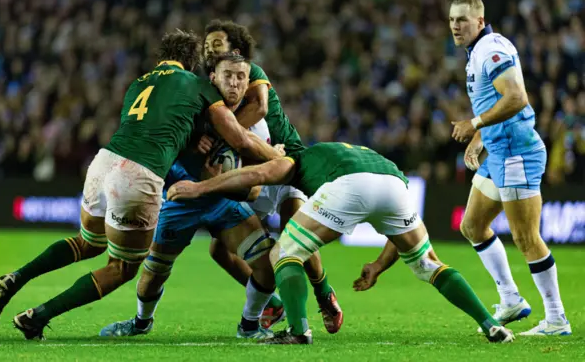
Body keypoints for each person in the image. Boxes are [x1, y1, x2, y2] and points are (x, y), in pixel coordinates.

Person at [0, 31, 282, 340]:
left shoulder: (139, 84)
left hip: (104, 162)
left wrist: (192, 139)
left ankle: (18, 277)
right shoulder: (197, 85)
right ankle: (38, 316)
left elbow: (160, 127)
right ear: (192, 64)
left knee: (87, 243)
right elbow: (239, 138)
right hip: (138, 175)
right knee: (122, 267)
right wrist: (279, 158)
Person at [167, 142, 515, 345]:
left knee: (283, 253)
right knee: (428, 265)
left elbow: (256, 175)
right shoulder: (358, 151)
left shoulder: (296, 160)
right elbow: (396, 237)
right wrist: (378, 266)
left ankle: (298, 330)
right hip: (395, 185)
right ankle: (490, 324)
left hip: (350, 186)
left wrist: (198, 188)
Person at [99, 53, 278, 340]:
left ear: (248, 83)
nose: (233, 83)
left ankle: (249, 325)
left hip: (225, 202)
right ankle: (141, 322)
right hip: (181, 200)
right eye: (227, 75)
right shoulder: (189, 106)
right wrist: (191, 148)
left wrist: (213, 183)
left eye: (240, 77)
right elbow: (162, 153)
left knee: (266, 266)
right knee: (152, 274)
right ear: (213, 78)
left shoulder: (257, 127)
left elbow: (255, 188)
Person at [201, 19, 341, 333]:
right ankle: (271, 301)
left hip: (285, 159)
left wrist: (221, 132)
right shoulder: (208, 86)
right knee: (218, 250)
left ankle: (323, 293)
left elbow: (260, 110)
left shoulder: (248, 74)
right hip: (254, 171)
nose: (210, 49)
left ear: (235, 50)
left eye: (217, 44)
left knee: (294, 237)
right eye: (207, 45)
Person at [449, 0, 571, 336]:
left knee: (526, 238)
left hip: (516, 152)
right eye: (451, 20)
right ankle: (511, 300)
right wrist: (480, 139)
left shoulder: (490, 49)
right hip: (499, 151)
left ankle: (557, 318)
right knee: (472, 225)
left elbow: (517, 98)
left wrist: (473, 125)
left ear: (479, 20)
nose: (455, 26)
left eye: (462, 19)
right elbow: (494, 100)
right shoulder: (477, 52)